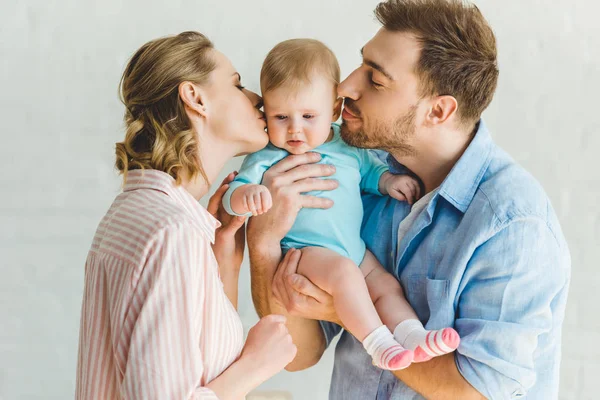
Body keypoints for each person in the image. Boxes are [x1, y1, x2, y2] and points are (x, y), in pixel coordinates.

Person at [247, 1, 571, 399]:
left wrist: (349, 312)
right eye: (360, 64)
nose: (346, 87)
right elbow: (297, 351)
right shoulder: (363, 176)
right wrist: (263, 243)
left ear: (438, 110)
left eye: (376, 80)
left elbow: (476, 392)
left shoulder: (513, 223)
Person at [76, 31, 297, 400]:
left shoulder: (135, 213)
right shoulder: (172, 232)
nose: (258, 99)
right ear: (195, 98)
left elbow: (196, 363)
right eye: (237, 85)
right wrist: (256, 364)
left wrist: (225, 258)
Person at [223, 38, 460, 371]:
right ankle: (379, 344)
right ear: (265, 113)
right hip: (305, 254)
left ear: (333, 110)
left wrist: (388, 182)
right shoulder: (267, 156)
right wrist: (244, 197)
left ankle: (413, 336)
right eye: (280, 117)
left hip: (354, 249)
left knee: (386, 287)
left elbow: (369, 173)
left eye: (308, 116)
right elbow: (235, 192)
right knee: (346, 275)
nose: (294, 130)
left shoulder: (348, 147)